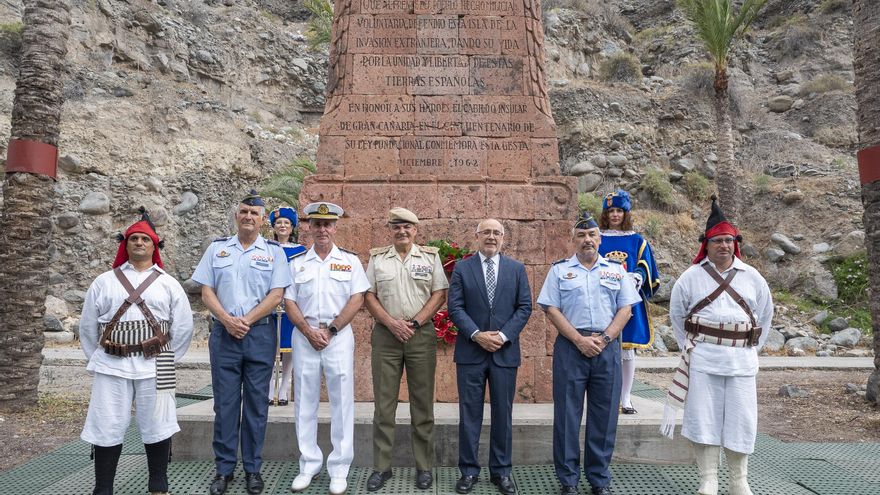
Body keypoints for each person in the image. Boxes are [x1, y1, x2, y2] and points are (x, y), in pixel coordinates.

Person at [662, 197, 773, 495]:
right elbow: (677, 316)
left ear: (734, 243)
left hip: (741, 362)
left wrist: (749, 350)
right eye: (717, 241)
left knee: (742, 419)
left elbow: (764, 317)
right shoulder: (690, 277)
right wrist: (692, 349)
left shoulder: (754, 278)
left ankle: (739, 480)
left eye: (728, 240)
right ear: (706, 244)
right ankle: (708, 479)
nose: (723, 246)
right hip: (704, 360)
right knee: (704, 418)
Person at [80, 208, 193, 495]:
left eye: (145, 239)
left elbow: (182, 328)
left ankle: (158, 483)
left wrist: (167, 356)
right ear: (125, 244)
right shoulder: (103, 282)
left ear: (154, 246)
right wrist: (102, 355)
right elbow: (88, 327)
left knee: (159, 423)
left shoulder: (169, 284)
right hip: (111, 363)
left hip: (158, 362)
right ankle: (103, 488)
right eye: (134, 239)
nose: (139, 243)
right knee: (107, 424)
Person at [192, 190, 292, 495]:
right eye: (244, 211)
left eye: (254, 213)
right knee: (224, 406)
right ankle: (223, 470)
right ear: (237, 216)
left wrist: (245, 320)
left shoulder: (274, 252)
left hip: (259, 334)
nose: (249, 216)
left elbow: (277, 294)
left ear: (263, 221)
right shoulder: (217, 250)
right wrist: (226, 319)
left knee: (256, 405)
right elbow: (206, 290)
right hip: (224, 335)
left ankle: (252, 469)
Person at [537, 213, 640, 495]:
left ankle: (599, 479)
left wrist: (605, 338)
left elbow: (626, 309)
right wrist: (579, 340)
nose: (587, 240)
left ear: (600, 238)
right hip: (571, 347)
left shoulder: (616, 270)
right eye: (581, 236)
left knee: (605, 416)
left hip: (606, 348)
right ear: (573, 240)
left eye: (592, 235)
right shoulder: (559, 271)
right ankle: (568, 480)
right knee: (568, 416)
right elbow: (551, 309)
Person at [285, 202, 370, 495]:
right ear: (308, 227)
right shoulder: (297, 263)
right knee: (304, 401)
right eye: (316, 224)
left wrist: (331, 330)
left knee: (342, 401)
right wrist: (309, 331)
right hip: (305, 334)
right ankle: (308, 464)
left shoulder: (350, 261)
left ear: (335, 227)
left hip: (338, 336)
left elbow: (357, 299)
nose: (322, 229)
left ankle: (339, 468)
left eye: (327, 224)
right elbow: (289, 301)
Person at [363, 207, 448, 491]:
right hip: (386, 337)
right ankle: (381, 468)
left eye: (407, 227)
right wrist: (390, 322)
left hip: (419, 336)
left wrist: (414, 322)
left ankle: (424, 468)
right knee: (384, 406)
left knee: (422, 406)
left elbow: (439, 293)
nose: (402, 231)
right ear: (391, 229)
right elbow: (369, 295)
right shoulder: (377, 259)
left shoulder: (430, 257)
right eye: (397, 227)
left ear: (415, 230)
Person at [448, 218, 532, 495]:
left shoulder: (517, 269)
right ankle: (469, 472)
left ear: (503, 238)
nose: (492, 237)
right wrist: (477, 335)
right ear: (477, 236)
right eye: (486, 232)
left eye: (497, 232)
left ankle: (501, 472)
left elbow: (524, 308)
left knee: (503, 415)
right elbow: (456, 308)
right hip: (471, 352)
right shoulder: (462, 268)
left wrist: (503, 336)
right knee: (469, 414)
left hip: (504, 353)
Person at [597, 189, 660, 414]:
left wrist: (638, 276)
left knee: (627, 352)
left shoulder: (637, 240)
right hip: (602, 300)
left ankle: (626, 398)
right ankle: (606, 396)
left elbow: (646, 264)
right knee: (602, 349)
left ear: (626, 213)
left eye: (619, 211)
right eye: (611, 211)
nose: (615, 215)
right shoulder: (597, 238)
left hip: (628, 301)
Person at [266, 206, 307, 406]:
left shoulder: (300, 251)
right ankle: (269, 385)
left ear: (292, 228)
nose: (282, 226)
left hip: (290, 303)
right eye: (279, 223)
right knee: (270, 345)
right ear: (274, 226)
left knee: (288, 346)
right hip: (268, 303)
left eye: (286, 223)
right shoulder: (266, 248)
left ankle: (284, 386)